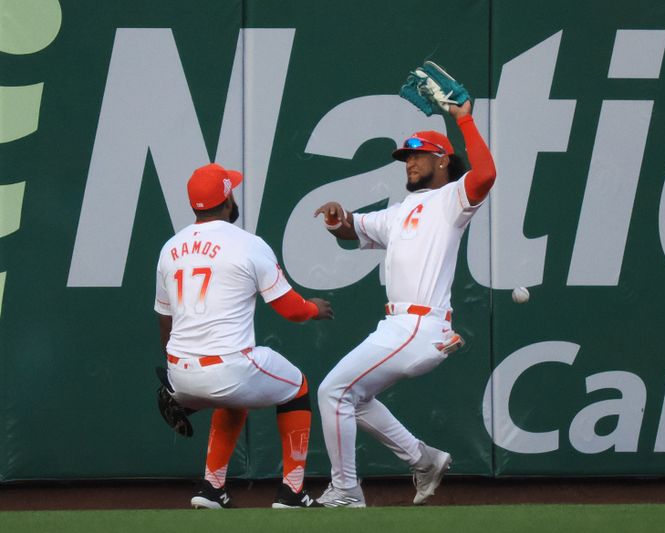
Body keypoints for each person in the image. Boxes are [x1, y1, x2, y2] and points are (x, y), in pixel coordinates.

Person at [313, 99, 496, 507]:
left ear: (443, 161)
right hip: (397, 326)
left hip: (419, 326)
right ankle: (423, 458)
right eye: (406, 157)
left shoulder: (452, 200)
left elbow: (485, 174)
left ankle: (346, 490)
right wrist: (336, 219)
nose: (409, 162)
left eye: (418, 156)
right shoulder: (399, 212)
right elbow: (351, 228)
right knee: (353, 399)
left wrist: (463, 118)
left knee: (333, 391)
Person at [154, 163, 333, 509]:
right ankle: (293, 491)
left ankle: (211, 487)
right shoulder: (248, 244)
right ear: (226, 199)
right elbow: (290, 309)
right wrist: (313, 308)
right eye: (231, 190)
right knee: (296, 387)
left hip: (179, 371)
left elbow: (164, 320)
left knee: (235, 401)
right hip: (229, 368)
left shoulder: (170, 248)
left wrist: (177, 370)